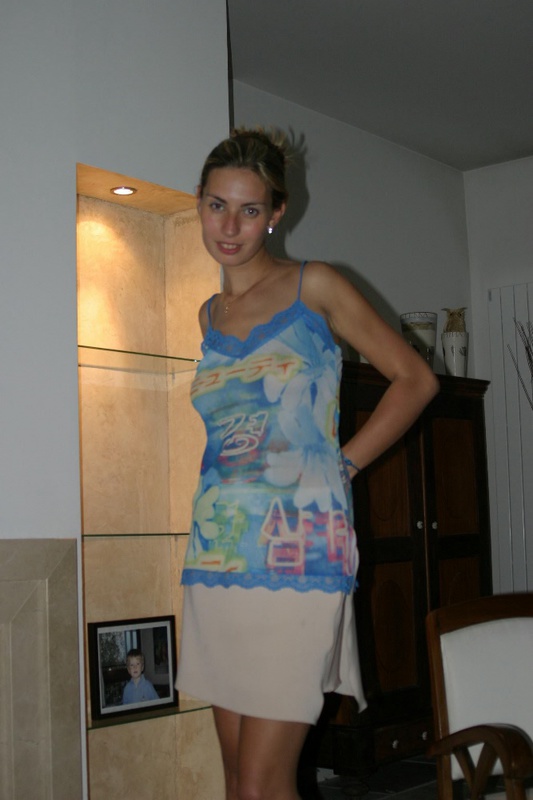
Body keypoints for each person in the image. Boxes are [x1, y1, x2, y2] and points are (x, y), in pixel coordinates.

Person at [177, 128, 439, 800]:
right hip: (218, 556)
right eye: (217, 206)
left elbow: (415, 380)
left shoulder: (312, 285)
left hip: (298, 555)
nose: (229, 226)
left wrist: (341, 466)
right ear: (199, 202)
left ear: (277, 213)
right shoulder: (208, 315)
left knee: (263, 783)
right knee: (237, 782)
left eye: (249, 210)